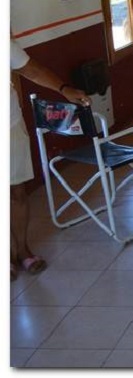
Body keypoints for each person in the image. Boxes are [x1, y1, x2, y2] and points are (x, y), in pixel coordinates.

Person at [10, 39, 90, 280]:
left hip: (9, 125)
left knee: (16, 193)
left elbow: (30, 68)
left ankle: (22, 250)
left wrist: (64, 89)